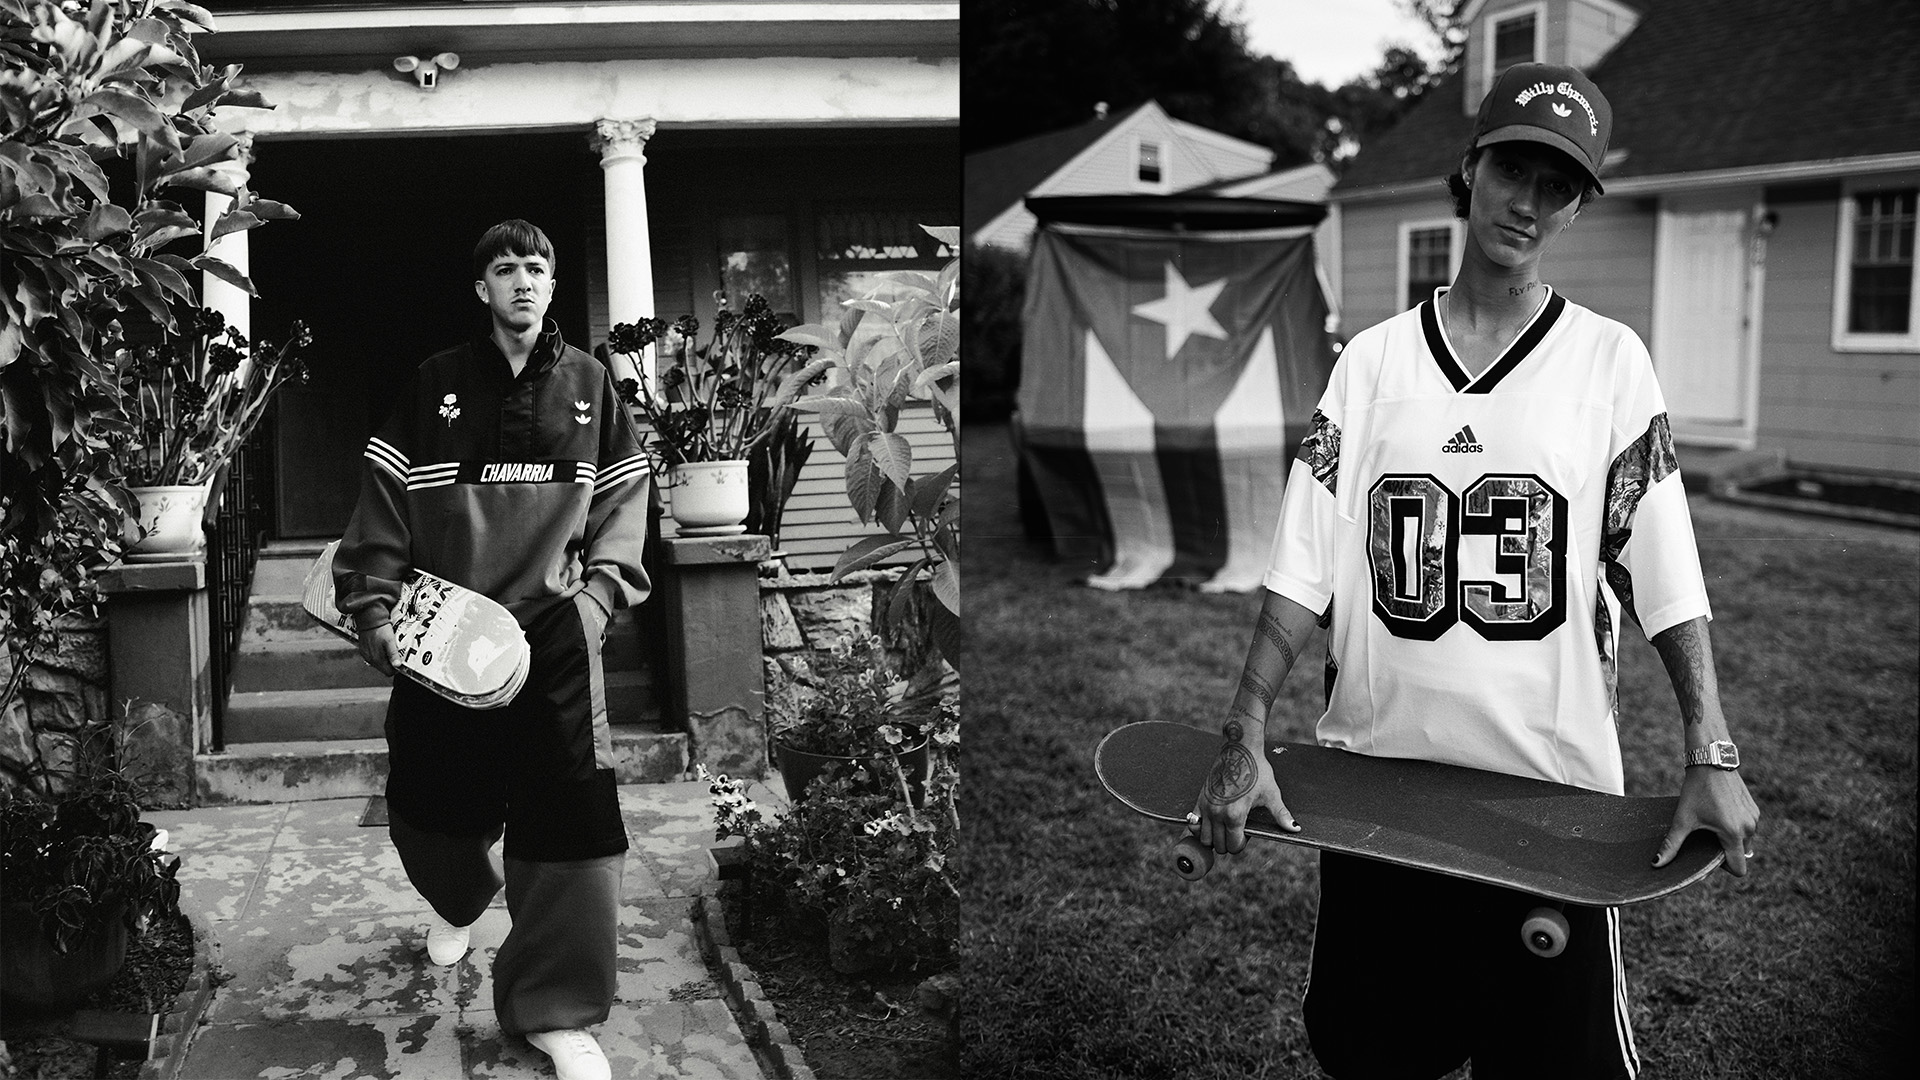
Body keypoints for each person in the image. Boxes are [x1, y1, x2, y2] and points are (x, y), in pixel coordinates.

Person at [1190, 63, 1760, 1080]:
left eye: (1559, 184)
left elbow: (1667, 576)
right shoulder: (1369, 368)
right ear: (1470, 170)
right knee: (1375, 1061)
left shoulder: (1610, 366)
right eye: (1513, 170)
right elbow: (1300, 570)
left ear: (1580, 205)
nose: (1529, 203)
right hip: (1379, 803)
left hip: (1548, 814)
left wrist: (1710, 751)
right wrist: (1243, 733)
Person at [333, 219, 651, 1080]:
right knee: (431, 813)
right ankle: (463, 897)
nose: (522, 281)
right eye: (505, 268)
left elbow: (626, 500)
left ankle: (554, 1010)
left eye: (536, 268)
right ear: (482, 289)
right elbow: (384, 502)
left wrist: (598, 599)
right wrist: (371, 610)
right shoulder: (436, 382)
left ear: (552, 285)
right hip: (445, 636)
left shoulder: (590, 384)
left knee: (572, 823)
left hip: (553, 636)